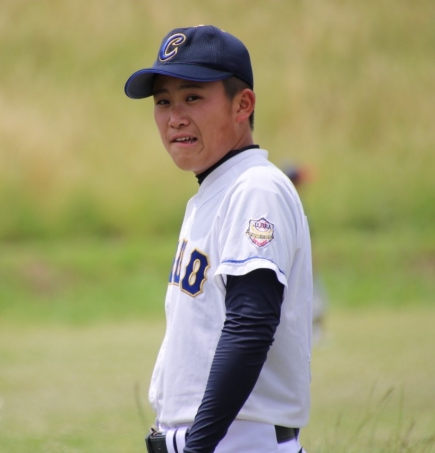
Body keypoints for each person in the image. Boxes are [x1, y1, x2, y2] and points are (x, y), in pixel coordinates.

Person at [125, 25, 313, 453]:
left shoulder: (255, 188)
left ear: (242, 104)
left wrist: (198, 447)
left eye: (192, 97)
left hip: (238, 442)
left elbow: (251, 324)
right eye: (163, 102)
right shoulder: (217, 191)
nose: (175, 117)